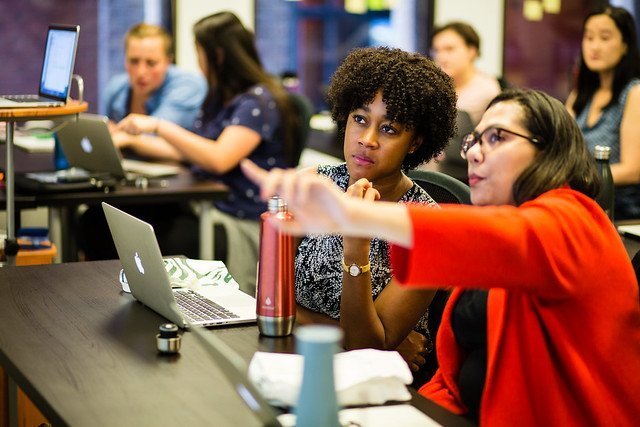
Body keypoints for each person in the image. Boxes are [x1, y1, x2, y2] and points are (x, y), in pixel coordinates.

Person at [242, 88, 640, 425]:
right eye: (475, 140)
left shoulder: (576, 220)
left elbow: (508, 239)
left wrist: (352, 216)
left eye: (497, 138)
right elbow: (452, 380)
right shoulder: (497, 227)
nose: (475, 154)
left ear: (550, 151)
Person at [83, 12, 297, 293]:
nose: (198, 63)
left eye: (199, 54)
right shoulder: (218, 98)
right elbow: (193, 152)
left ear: (217, 56)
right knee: (97, 220)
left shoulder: (258, 102)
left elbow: (219, 159)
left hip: (236, 218)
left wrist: (158, 126)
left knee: (163, 240)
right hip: (202, 204)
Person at [293, 47, 457, 379]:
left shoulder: (427, 227)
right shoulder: (314, 186)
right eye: (360, 119)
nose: (367, 140)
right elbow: (268, 301)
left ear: (415, 142)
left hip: (373, 385)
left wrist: (356, 248)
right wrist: (384, 343)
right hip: (292, 358)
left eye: (389, 129)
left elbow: (364, 350)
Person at [566, 5, 640, 220]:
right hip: (581, 200)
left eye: (604, 38)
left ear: (625, 45)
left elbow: (633, 169)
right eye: (588, 38)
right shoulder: (581, 94)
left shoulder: (634, 93)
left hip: (620, 210)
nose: (594, 47)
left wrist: (575, 179)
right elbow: (559, 145)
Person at [103, 23, 206, 140]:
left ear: (168, 62)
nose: (141, 72)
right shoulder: (115, 87)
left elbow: (156, 135)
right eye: (134, 61)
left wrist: (121, 135)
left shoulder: (188, 85)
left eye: (151, 63)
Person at [431, 22, 501, 126]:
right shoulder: (432, 86)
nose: (441, 58)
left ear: (472, 51)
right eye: (437, 50)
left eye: (449, 49)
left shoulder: (487, 90)